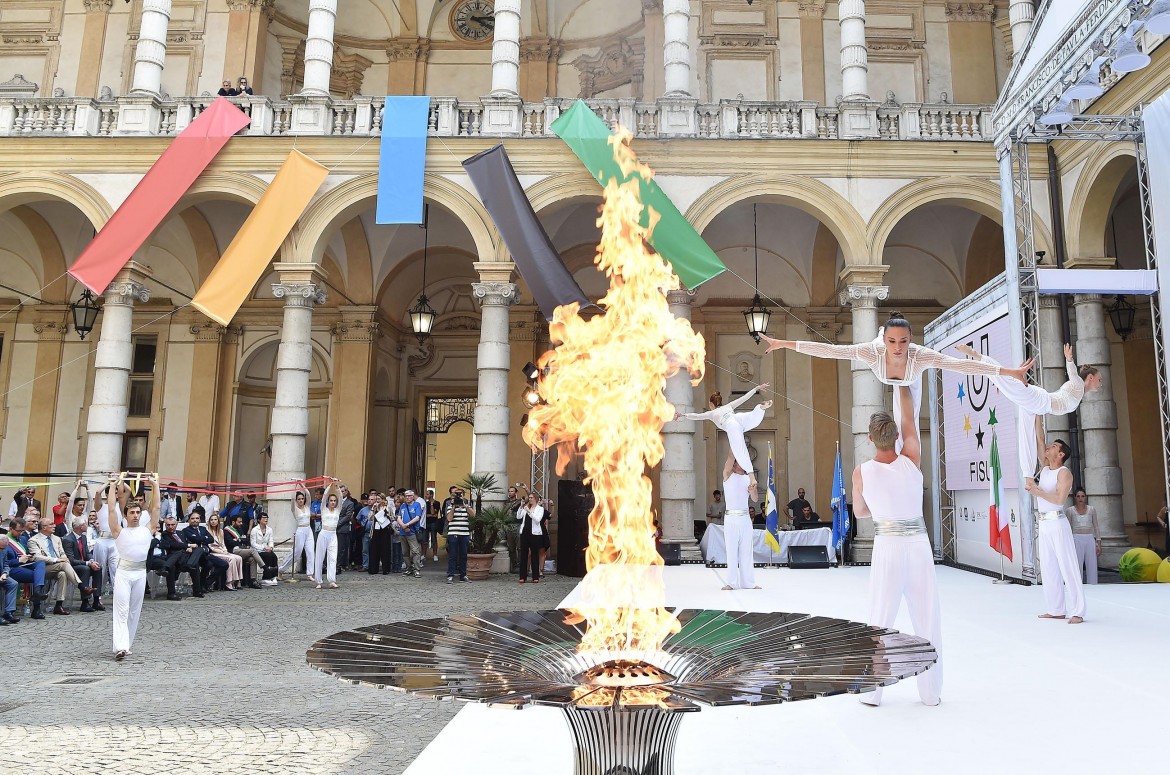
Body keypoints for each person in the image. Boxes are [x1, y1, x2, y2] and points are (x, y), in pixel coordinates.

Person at [762, 313, 1028, 449]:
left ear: (911, 339)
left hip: (910, 379)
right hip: (883, 366)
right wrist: (783, 343)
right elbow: (831, 351)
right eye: (892, 341)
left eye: (903, 341)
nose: (898, 347)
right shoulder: (873, 351)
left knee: (908, 420)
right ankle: (880, 328)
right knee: (873, 350)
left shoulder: (920, 356)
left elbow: (960, 365)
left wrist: (1008, 371)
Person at [851, 385, 942, 707]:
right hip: (917, 544)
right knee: (926, 617)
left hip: (888, 544)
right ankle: (930, 694)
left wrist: (880, 503)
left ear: (870, 438)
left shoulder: (861, 471)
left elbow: (860, 512)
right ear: (895, 437)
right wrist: (902, 382)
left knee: (880, 617)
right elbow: (910, 423)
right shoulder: (912, 456)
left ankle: (873, 692)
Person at [957, 343, 1102, 475]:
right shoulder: (1079, 386)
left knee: (1026, 435)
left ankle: (1028, 475)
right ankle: (976, 355)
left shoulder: (1079, 391)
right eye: (1099, 379)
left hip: (1039, 407)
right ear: (1090, 377)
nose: (1100, 384)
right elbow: (1073, 374)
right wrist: (1069, 360)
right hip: (1040, 401)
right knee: (1004, 381)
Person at [1024, 417, 1083, 623]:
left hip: (1058, 523)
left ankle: (1077, 610)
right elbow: (1040, 439)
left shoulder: (1064, 472)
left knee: (1068, 566)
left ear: (1061, 454)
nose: (1049, 446)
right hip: (1044, 524)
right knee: (1048, 567)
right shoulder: (1045, 468)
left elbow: (1059, 500)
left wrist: (1038, 492)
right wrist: (1037, 413)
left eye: (1054, 446)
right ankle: (1056, 608)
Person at [676, 385, 773, 500]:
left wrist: (683, 415)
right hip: (738, 419)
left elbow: (697, 416)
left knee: (740, 451)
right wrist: (756, 388)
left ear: (711, 405)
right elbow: (744, 398)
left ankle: (752, 477)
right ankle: (760, 408)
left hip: (732, 427)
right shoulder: (728, 406)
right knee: (752, 418)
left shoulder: (712, 413)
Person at [109, 473, 159, 661]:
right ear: (126, 515)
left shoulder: (148, 529)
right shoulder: (118, 531)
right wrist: (114, 486)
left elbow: (156, 507)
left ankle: (126, 645)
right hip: (123, 573)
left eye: (138, 512)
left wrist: (155, 485)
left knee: (134, 610)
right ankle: (120, 646)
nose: (136, 515)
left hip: (140, 572)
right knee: (121, 609)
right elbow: (111, 511)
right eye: (132, 512)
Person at [27, 509, 83, 615]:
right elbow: (37, 557)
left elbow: (62, 553)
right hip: (43, 568)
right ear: (43, 528)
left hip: (58, 567)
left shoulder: (56, 538)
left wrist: (64, 557)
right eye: (51, 524)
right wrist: (57, 560)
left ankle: (59, 605)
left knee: (62, 574)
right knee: (63, 564)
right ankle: (81, 587)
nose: (54, 526)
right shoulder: (33, 540)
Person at [720, 448, 759, 591]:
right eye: (739, 462)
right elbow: (730, 456)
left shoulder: (749, 479)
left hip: (745, 518)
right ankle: (731, 582)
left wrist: (753, 490)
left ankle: (748, 582)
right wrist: (735, 438)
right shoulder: (728, 476)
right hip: (731, 518)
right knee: (731, 551)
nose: (741, 464)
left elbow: (755, 499)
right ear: (735, 464)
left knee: (746, 551)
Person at [3, 522, 47, 619]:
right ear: (11, 529)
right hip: (13, 568)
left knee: (41, 563)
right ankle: (36, 608)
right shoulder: (4, 540)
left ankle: (36, 592)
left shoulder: (22, 539)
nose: (20, 533)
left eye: (22, 531)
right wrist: (18, 560)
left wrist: (29, 557)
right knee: (40, 577)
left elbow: (25, 552)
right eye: (18, 531)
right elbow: (4, 562)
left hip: (25, 565)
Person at [63, 516, 104, 612]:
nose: (87, 526)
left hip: (84, 564)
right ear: (81, 527)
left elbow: (87, 553)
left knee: (98, 568)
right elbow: (71, 560)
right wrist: (88, 563)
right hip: (72, 567)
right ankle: (85, 602)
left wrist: (92, 561)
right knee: (85, 569)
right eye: (85, 524)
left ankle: (96, 600)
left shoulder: (84, 538)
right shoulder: (68, 539)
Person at [279, 485, 316, 582]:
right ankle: (281, 569)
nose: (301, 500)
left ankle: (310, 573)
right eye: (299, 499)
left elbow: (308, 494)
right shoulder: (294, 509)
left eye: (302, 499)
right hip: (300, 530)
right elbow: (292, 498)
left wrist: (302, 485)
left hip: (308, 530)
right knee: (296, 552)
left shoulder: (307, 506)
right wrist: (295, 486)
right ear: (296, 500)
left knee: (311, 552)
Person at [159, 516, 203, 598]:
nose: (170, 527)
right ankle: (171, 593)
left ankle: (197, 591)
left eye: (172, 524)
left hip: (187, 557)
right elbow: (173, 545)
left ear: (176, 525)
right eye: (168, 525)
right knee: (190, 562)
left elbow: (187, 542)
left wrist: (189, 547)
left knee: (199, 550)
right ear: (165, 525)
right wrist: (187, 546)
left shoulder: (181, 533)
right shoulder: (164, 534)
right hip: (175, 558)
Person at [1064, 488, 1101, 585]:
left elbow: (1096, 526)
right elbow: (1067, 528)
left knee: (1092, 564)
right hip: (1076, 538)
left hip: (1089, 538)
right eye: (1078, 496)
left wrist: (1099, 543)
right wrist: (1067, 544)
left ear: (1085, 497)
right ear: (1075, 497)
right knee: (1077, 564)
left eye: (1082, 496)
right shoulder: (1070, 510)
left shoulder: (1091, 509)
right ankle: (1077, 585)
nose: (1080, 498)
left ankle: (1093, 584)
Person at [314, 481, 341, 589]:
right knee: (320, 557)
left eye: (334, 501)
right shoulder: (323, 509)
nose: (333, 502)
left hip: (333, 535)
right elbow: (324, 496)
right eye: (331, 501)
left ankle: (331, 580)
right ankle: (318, 581)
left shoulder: (337, 510)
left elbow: (340, 498)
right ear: (328, 502)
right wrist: (330, 487)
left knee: (333, 558)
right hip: (323, 534)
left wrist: (337, 487)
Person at [206, 513, 243, 591]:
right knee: (231, 559)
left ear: (218, 521)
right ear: (209, 522)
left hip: (222, 551)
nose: (213, 521)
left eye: (215, 519)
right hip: (214, 552)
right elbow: (210, 546)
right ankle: (228, 582)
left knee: (239, 558)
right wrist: (221, 551)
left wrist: (225, 550)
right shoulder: (207, 531)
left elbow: (223, 543)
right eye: (211, 520)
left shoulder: (221, 531)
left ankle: (238, 580)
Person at [225, 513, 264, 589]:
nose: (241, 523)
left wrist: (239, 540)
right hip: (233, 551)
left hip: (242, 550)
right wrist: (240, 540)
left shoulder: (240, 529)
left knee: (252, 559)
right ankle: (264, 567)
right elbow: (230, 542)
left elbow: (246, 540)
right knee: (253, 551)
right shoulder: (227, 530)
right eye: (239, 522)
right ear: (233, 522)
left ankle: (253, 580)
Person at [516, 493, 546, 584]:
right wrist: (521, 507)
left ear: (536, 499)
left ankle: (535, 576)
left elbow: (537, 520)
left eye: (532, 498)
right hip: (525, 532)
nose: (530, 499)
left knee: (534, 554)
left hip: (535, 534)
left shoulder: (540, 509)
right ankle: (522, 576)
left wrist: (529, 511)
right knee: (524, 555)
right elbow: (518, 516)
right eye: (529, 498)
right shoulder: (525, 507)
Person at [445, 492, 473, 583]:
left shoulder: (467, 507)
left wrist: (465, 506)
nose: (459, 498)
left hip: (464, 534)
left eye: (460, 496)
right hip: (453, 534)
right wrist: (454, 507)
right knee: (452, 555)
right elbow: (449, 518)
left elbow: (473, 515)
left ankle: (463, 575)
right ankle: (450, 575)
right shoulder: (450, 506)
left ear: (463, 497)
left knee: (464, 555)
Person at [397, 489, 424, 578]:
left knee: (415, 551)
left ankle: (416, 569)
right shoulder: (403, 506)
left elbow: (417, 517)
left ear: (413, 497)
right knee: (405, 552)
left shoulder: (417, 505)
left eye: (409, 496)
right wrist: (402, 525)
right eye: (406, 496)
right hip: (403, 532)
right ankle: (409, 568)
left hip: (412, 532)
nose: (407, 497)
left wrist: (407, 524)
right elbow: (399, 517)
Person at [367, 493, 395, 574]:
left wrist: (387, 515)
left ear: (383, 500)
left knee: (385, 550)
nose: (377, 501)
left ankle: (385, 569)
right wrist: (373, 509)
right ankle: (373, 569)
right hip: (375, 531)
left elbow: (392, 518)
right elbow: (370, 518)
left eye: (379, 499)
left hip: (385, 530)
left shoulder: (388, 507)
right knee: (374, 550)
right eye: (376, 499)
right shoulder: (375, 508)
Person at [249, 514, 279, 586]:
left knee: (274, 556)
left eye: (267, 518)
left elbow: (271, 540)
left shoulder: (269, 529)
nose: (266, 519)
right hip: (258, 550)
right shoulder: (254, 530)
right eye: (264, 518)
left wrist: (271, 547)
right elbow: (253, 543)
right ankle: (266, 577)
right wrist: (263, 548)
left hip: (267, 549)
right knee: (268, 556)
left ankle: (273, 576)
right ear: (259, 520)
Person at [0, 534, 19, 625]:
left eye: (4, 548)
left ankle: (8, 612)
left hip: (1, 574)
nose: (2, 550)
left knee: (13, 583)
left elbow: (6, 564)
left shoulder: (4, 550)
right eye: (0, 548)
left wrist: (5, 573)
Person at [423, 488, 442, 562]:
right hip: (426, 523)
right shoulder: (425, 503)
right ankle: (423, 555)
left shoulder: (436, 503)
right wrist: (431, 515)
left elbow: (434, 513)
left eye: (427, 494)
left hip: (434, 523)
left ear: (431, 495)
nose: (426, 495)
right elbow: (425, 515)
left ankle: (435, 555)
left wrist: (431, 504)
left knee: (434, 539)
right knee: (425, 540)